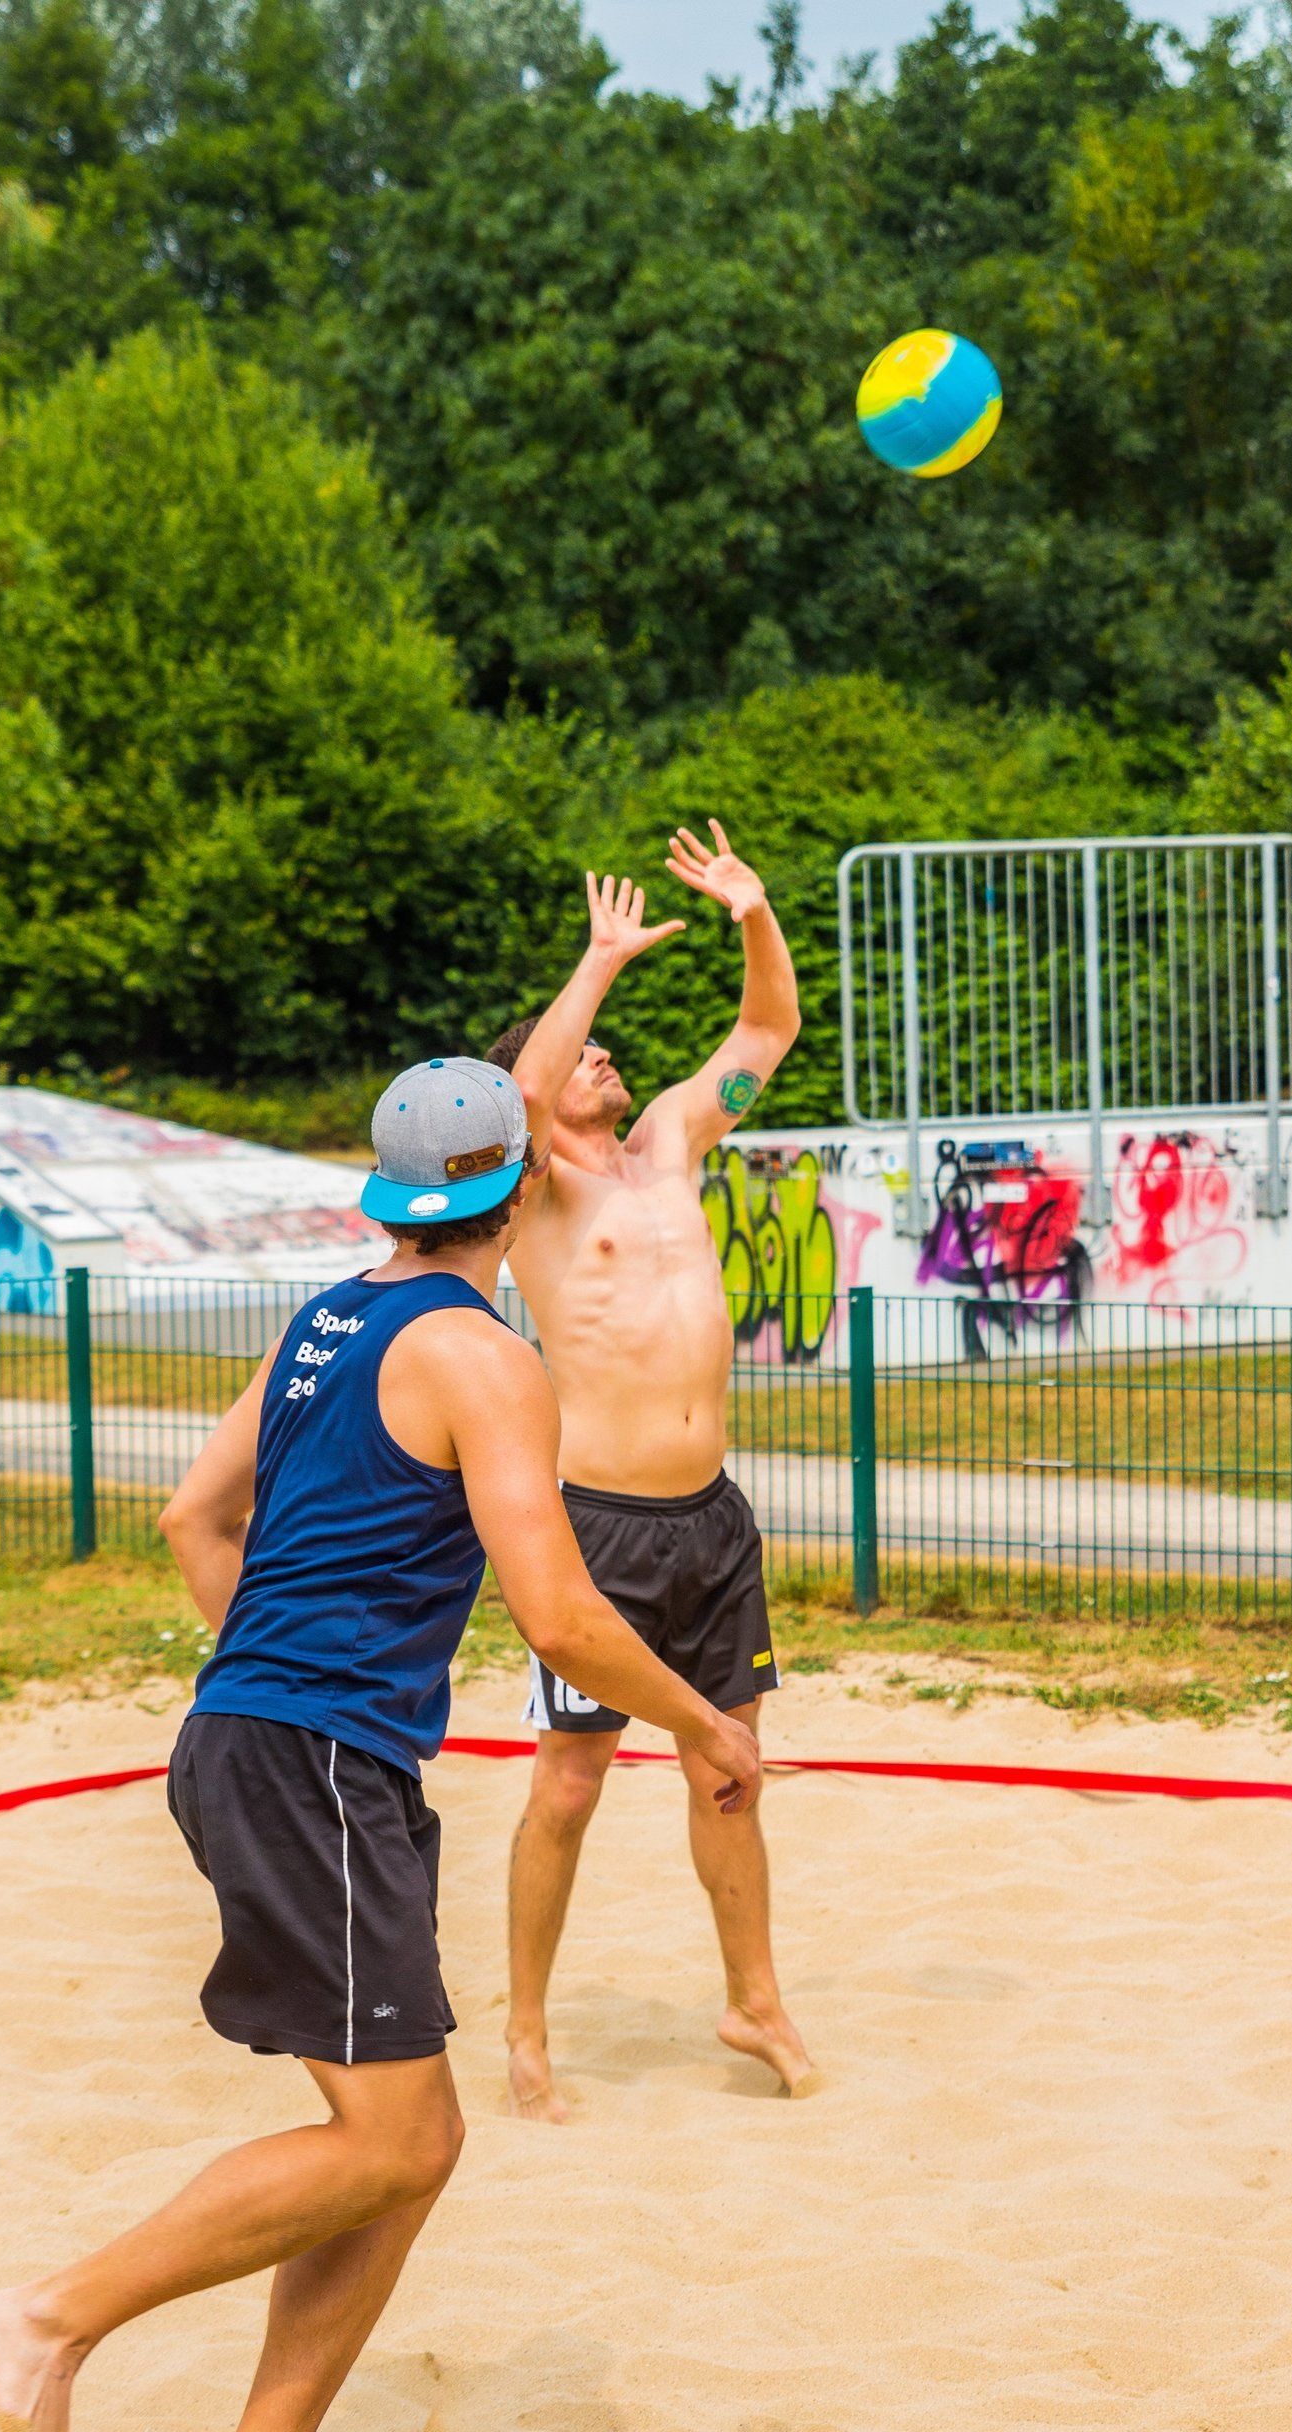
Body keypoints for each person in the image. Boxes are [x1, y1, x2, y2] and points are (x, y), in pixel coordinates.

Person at [0, 1056, 759, 2432]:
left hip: (274, 1741)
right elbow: (561, 1615)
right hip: (309, 1758)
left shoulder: (324, 1321)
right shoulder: (484, 1357)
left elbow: (193, 1517)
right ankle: (48, 2318)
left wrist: (267, 1682)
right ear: (519, 1190)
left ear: (395, 1198)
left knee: (413, 2142)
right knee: (391, 2139)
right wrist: (705, 1721)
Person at [487, 822, 813, 2123]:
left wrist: (753, 912)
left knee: (728, 1771)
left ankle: (756, 2000)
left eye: (602, 1046)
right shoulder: (531, 1193)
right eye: (583, 1052)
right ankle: (525, 2026)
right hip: (600, 1528)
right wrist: (601, 961)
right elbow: (521, 1097)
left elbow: (768, 1032)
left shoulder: (673, 1139)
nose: (604, 1057)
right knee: (568, 1785)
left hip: (710, 1522)